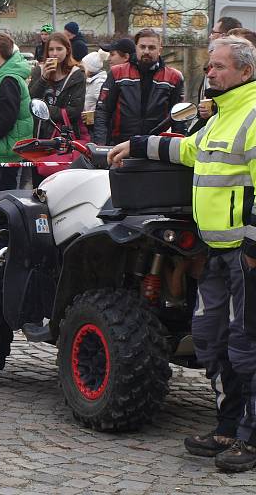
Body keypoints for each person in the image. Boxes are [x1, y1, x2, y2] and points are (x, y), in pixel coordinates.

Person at [107, 36, 256, 473]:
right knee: (210, 340)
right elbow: (188, 151)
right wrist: (137, 145)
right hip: (216, 252)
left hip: (246, 256)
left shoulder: (252, 116)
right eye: (209, 66)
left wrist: (252, 245)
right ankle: (227, 427)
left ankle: (249, 437)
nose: (209, 73)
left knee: (247, 346)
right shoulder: (222, 115)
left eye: (219, 67)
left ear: (245, 72)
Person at [94, 28, 185, 146]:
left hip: (155, 146)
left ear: (160, 50)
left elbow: (179, 118)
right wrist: (100, 145)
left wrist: (179, 148)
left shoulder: (174, 77)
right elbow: (103, 112)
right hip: (119, 144)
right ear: (136, 48)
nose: (146, 51)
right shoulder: (117, 73)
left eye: (152, 47)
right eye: (142, 47)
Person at [0, 32, 33, 190]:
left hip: (4, 152)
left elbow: (5, 120)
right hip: (1, 149)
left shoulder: (8, 79)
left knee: (1, 202)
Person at [29, 32, 87, 139]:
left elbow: (74, 111)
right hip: (39, 134)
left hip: (64, 134)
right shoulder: (39, 71)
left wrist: (44, 110)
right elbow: (31, 101)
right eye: (51, 49)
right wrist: (43, 79)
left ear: (67, 50)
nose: (55, 53)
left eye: (59, 49)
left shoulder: (76, 74)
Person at [80, 49, 109, 138]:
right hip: (87, 121)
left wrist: (93, 114)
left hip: (94, 123)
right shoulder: (89, 81)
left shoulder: (99, 83)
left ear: (90, 68)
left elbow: (104, 104)